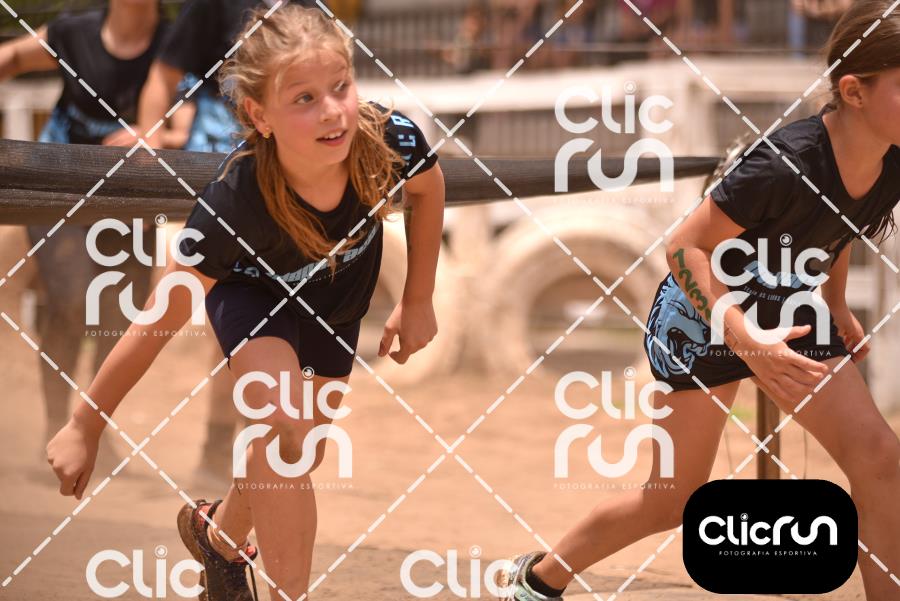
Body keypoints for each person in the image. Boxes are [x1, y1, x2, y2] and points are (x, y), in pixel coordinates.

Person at [497, 2, 900, 599]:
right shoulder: (784, 164)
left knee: (880, 461)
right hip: (699, 320)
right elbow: (684, 247)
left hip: (790, 314)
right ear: (854, 91)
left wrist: (836, 305)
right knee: (671, 500)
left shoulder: (890, 161)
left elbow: (836, 229)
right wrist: (745, 340)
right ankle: (536, 581)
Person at [46, 5, 446, 600]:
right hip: (253, 300)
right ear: (260, 114)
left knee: (297, 452)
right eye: (304, 98)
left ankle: (217, 538)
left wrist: (418, 300)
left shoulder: (389, 137)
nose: (332, 110)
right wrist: (86, 422)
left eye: (340, 86)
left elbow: (429, 188)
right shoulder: (232, 201)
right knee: (284, 431)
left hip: (336, 310)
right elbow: (159, 318)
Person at [0, 0, 191, 446]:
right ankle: (55, 425)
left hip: (130, 203)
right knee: (69, 302)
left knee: (117, 320)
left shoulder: (175, 45)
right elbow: (11, 57)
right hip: (59, 196)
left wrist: (158, 136)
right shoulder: (73, 33)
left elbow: (188, 125)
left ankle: (91, 431)